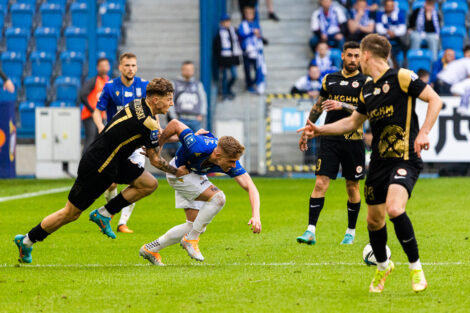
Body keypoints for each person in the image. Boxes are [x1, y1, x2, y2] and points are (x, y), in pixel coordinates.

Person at [299, 34, 443, 293]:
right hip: (378, 162)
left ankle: (416, 269)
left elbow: (435, 99)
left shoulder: (402, 77)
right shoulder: (367, 90)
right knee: (374, 222)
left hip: (404, 157)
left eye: (358, 55)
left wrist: (423, 133)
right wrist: (319, 130)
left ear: (365, 55)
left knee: (395, 209)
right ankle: (383, 266)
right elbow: (352, 122)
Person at [13, 78, 189, 264]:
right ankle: (27, 240)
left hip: (113, 160)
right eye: (168, 98)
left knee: (149, 183)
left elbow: (155, 137)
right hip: (98, 166)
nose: (171, 103)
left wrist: (186, 138)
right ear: (155, 100)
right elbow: (155, 159)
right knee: (70, 213)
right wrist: (177, 172)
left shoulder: (138, 103)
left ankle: (104, 213)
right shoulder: (149, 123)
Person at [139, 119, 261, 265]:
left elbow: (250, 186)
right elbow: (175, 124)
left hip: (194, 175)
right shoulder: (197, 145)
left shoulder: (228, 159)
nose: (234, 165)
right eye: (231, 161)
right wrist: (157, 149)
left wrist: (256, 216)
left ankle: (151, 249)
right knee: (219, 198)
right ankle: (191, 239)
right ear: (217, 155)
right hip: (178, 174)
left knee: (193, 224)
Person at [296, 41, 368, 246]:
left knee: (352, 186)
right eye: (350, 55)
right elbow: (318, 106)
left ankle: (350, 232)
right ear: (342, 56)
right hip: (329, 138)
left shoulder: (366, 81)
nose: (353, 59)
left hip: (353, 140)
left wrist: (341, 104)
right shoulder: (330, 79)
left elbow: (367, 111)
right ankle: (310, 231)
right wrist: (308, 128)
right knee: (320, 182)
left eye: (357, 56)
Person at [92, 52, 149, 234]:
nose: (130, 69)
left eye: (133, 65)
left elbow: (152, 112)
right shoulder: (110, 87)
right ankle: (109, 212)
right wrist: (101, 125)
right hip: (115, 142)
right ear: (120, 67)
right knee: (111, 184)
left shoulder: (144, 86)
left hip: (137, 143)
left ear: (136, 67)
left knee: (137, 183)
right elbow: (97, 111)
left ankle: (122, 223)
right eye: (127, 65)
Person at [79, 58, 110, 153]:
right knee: (90, 140)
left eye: (106, 65)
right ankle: (83, 165)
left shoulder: (109, 82)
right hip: (89, 116)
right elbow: (82, 95)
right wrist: (92, 111)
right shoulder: (93, 81)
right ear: (98, 68)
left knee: (100, 141)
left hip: (101, 117)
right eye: (102, 66)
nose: (104, 68)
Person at [238, 6, 267, 94]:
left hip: (255, 50)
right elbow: (241, 35)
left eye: (251, 13)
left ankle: (256, 82)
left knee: (257, 67)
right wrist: (252, 33)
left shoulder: (256, 24)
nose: (249, 15)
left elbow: (259, 34)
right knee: (247, 68)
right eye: (248, 13)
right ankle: (248, 84)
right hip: (247, 51)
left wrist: (260, 37)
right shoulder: (243, 24)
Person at [172, 61, 208, 132]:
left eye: (191, 69)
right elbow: (170, 100)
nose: (189, 71)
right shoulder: (175, 84)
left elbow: (203, 100)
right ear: (182, 70)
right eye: (187, 69)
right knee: (179, 142)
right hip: (180, 118)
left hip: (195, 119)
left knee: (196, 141)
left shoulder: (198, 84)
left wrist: (201, 114)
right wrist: (173, 116)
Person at [213, 14, 242, 101]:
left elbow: (237, 43)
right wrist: (219, 61)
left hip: (232, 57)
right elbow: (217, 48)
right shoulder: (220, 33)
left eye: (228, 21)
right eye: (225, 21)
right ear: (222, 23)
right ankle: (224, 93)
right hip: (224, 59)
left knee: (234, 75)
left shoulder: (234, 30)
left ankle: (228, 89)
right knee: (224, 77)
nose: (227, 23)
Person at [375, 0, 407, 67]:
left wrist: (394, 33)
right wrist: (386, 32)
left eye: (391, 6)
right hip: (384, 38)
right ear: (385, 6)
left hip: (397, 40)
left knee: (404, 45)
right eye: (388, 6)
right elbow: (378, 28)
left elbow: (403, 29)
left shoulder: (399, 14)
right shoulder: (380, 14)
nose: (390, 8)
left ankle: (402, 64)